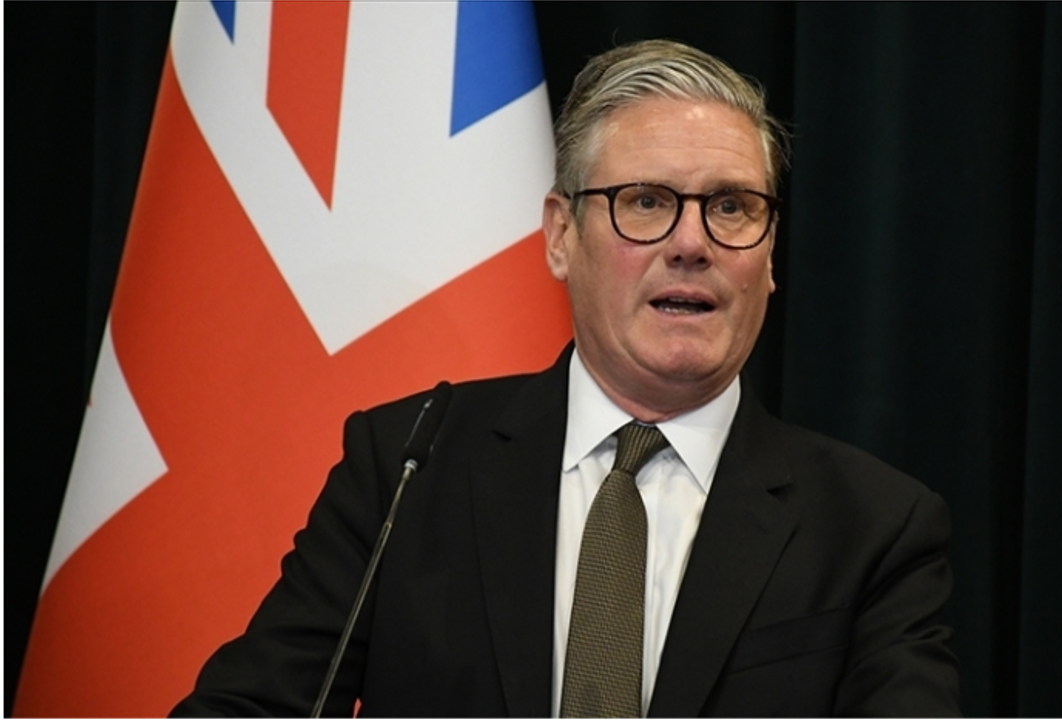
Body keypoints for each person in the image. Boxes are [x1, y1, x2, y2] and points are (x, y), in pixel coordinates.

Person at [173, 39, 960, 718]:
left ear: (770, 249)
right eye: (645, 201)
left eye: (731, 207)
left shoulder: (874, 527)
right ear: (560, 235)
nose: (692, 243)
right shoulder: (408, 468)